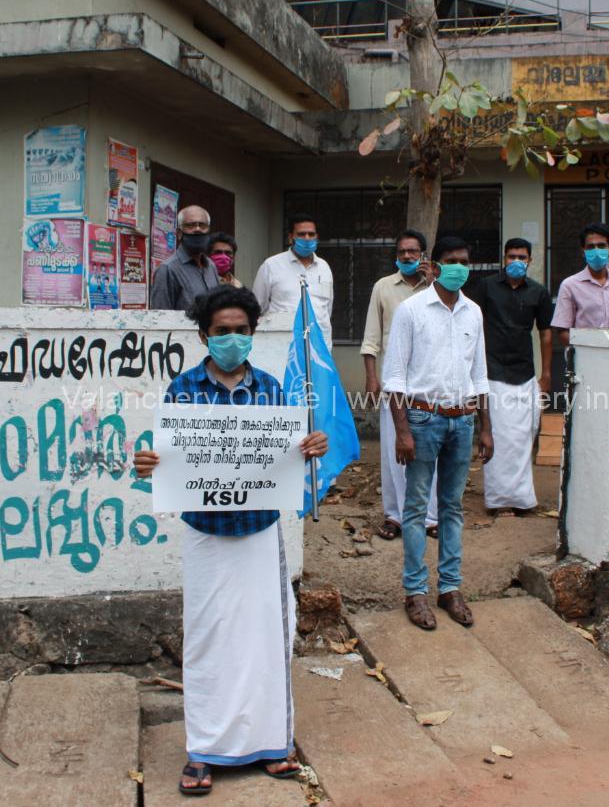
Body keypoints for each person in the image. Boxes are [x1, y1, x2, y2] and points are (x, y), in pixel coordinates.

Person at [132, 285, 328, 796]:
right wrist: (148, 463)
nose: (233, 339)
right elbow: (169, 459)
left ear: (253, 333)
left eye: (242, 331)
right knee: (208, 638)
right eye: (222, 332)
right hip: (207, 534)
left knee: (266, 636)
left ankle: (272, 743)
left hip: (261, 530)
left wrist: (310, 446)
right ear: (204, 335)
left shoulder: (270, 388)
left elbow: (288, 451)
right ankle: (204, 749)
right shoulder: (183, 389)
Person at [382, 235, 494, 631]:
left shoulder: (474, 313)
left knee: (451, 508)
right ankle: (415, 592)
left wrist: (486, 428)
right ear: (435, 264)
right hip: (422, 420)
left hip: (462, 421)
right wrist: (401, 431)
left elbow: (479, 373)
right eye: (451, 260)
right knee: (415, 509)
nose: (459, 266)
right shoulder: (411, 311)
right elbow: (394, 376)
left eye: (465, 260)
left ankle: (450, 588)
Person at [465, 237, 553, 516]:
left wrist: (547, 374)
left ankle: (522, 499)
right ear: (504, 258)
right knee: (497, 437)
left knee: (523, 437)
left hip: (524, 372)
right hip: (492, 372)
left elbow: (546, 333)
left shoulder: (538, 292)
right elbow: (469, 321)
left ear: (530, 260)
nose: (517, 262)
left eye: (522, 257)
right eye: (512, 256)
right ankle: (499, 500)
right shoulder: (486, 287)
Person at [361, 230, 439, 541]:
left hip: (429, 382)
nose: (407, 257)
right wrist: (371, 377)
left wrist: (432, 284)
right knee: (394, 451)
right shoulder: (383, 287)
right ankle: (394, 515)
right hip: (394, 384)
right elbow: (371, 337)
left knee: (428, 451)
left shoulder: (437, 287)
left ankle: (430, 517)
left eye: (413, 252)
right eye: (402, 251)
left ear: (424, 254)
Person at [550, 222, 609, 347]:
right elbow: (562, 330)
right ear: (583, 251)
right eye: (591, 247)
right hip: (585, 359)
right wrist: (587, 350)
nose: (596, 251)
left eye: (601, 246)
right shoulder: (569, 285)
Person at [253, 213, 334, 346]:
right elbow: (257, 308)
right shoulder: (272, 265)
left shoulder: (324, 267)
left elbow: (327, 309)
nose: (307, 238)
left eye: (311, 234)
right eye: (301, 234)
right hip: (282, 347)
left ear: (317, 237)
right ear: (291, 237)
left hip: (320, 348)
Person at [150, 205, 218, 310]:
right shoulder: (168, 270)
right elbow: (160, 318)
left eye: (203, 225)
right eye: (190, 225)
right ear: (179, 233)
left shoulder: (211, 266)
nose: (198, 229)